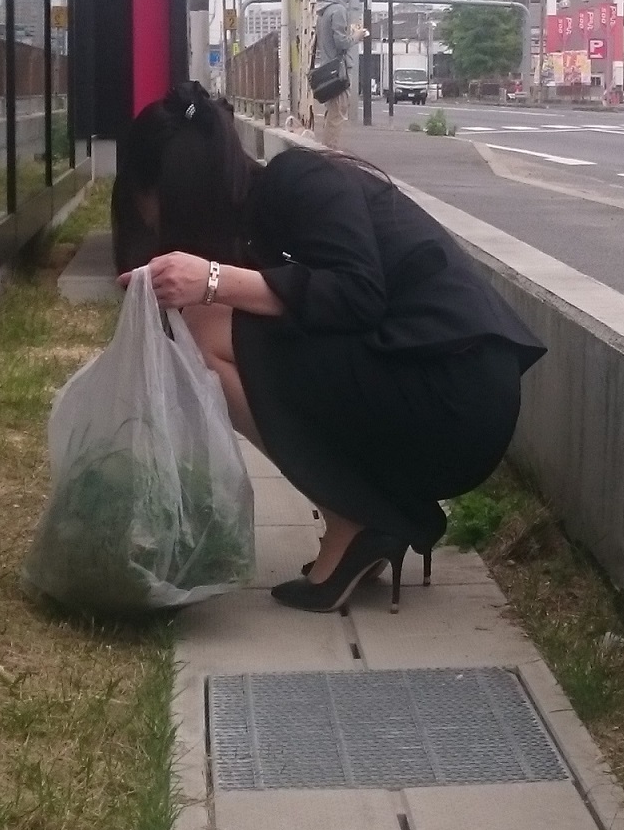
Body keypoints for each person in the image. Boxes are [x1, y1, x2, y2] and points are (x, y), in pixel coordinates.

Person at [114, 87, 544, 615]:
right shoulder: (263, 219)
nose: (155, 232)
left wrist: (214, 279)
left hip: (454, 394)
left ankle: (353, 519)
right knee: (213, 322)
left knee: (209, 332)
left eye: (152, 216)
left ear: (175, 191)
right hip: (429, 379)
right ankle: (362, 516)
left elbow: (357, 297)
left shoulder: (300, 180)